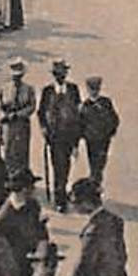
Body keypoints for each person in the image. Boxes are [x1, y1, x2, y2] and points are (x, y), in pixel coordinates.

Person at [38, 59, 82, 211]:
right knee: (58, 166)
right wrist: (43, 128)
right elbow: (41, 113)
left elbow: (78, 115)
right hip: (54, 136)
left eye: (62, 74)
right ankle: (60, 199)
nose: (60, 77)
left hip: (69, 135)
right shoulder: (48, 91)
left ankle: (61, 192)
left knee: (66, 166)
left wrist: (76, 142)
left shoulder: (73, 89)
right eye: (57, 74)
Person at [79, 76, 119, 187]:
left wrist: (110, 132)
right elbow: (81, 124)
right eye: (92, 89)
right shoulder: (85, 105)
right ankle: (95, 188)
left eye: (96, 89)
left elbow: (114, 118)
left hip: (104, 140)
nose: (94, 91)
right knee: (94, 166)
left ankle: (95, 186)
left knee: (100, 165)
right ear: (88, 90)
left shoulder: (105, 102)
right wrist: (85, 135)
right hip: (91, 141)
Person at [0, 59, 37, 173]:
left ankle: (21, 175)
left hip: (22, 122)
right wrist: (6, 115)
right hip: (8, 123)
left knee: (21, 149)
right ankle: (8, 174)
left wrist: (18, 115)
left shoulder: (28, 89)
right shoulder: (5, 88)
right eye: (14, 76)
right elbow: (0, 104)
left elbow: (32, 106)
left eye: (19, 76)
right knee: (8, 149)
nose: (16, 78)